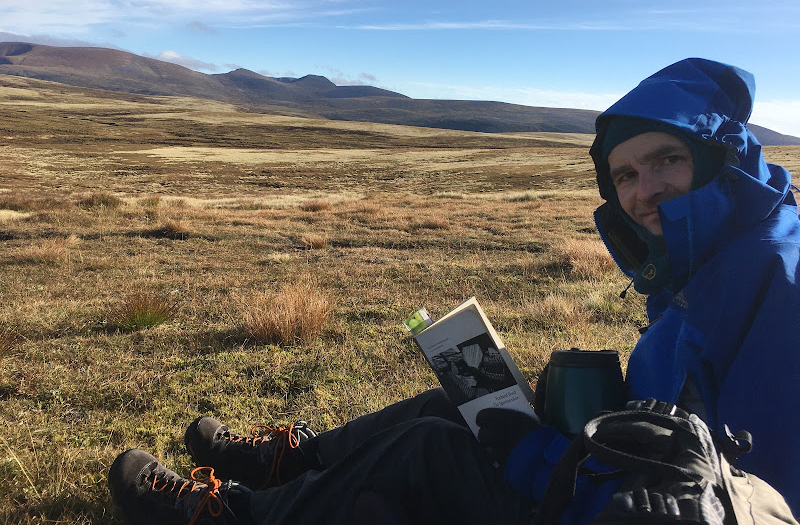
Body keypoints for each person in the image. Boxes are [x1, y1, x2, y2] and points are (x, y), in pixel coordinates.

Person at [108, 57, 800, 524]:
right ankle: (288, 461)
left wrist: (538, 454)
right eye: (624, 176)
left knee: (431, 450)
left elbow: (729, 500)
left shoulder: (774, 287)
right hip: (620, 484)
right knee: (463, 395)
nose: (643, 191)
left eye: (667, 160)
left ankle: (233, 513)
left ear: (719, 159)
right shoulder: (717, 261)